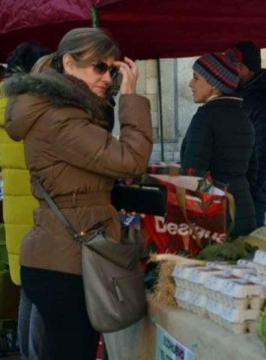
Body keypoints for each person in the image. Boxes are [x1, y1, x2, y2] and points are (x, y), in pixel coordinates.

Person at [2, 28, 152, 359]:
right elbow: (131, 161)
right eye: (99, 67)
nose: (107, 77)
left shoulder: (60, 110)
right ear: (69, 63)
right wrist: (130, 97)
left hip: (64, 253)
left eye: (112, 70)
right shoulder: (60, 118)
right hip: (66, 260)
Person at [0, 42, 51, 360]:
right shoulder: (34, 105)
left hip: (14, 209)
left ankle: (25, 352)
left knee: (27, 289)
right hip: (38, 205)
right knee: (42, 293)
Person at [180, 52, 256, 237]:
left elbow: (194, 174)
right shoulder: (244, 117)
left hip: (216, 216)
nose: (191, 83)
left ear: (214, 85)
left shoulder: (205, 118)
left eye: (196, 78)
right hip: (244, 209)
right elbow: (253, 171)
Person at [227, 41, 266, 227]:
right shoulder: (235, 95)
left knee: (248, 245)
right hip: (233, 190)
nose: (230, 70)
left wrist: (252, 192)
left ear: (247, 69)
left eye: (235, 66)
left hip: (252, 194)